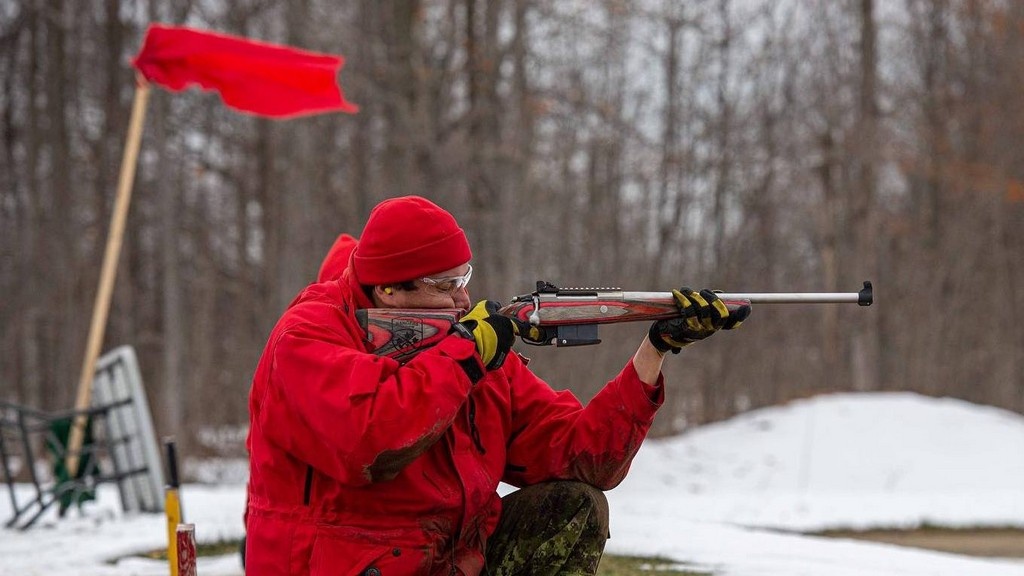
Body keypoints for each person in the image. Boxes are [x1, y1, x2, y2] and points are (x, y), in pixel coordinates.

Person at [244, 195, 749, 575]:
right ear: (388, 288)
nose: (463, 301)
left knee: (574, 506)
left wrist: (655, 350)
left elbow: (581, 454)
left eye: (464, 279)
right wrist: (465, 357)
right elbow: (370, 440)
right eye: (445, 286)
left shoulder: (468, 348)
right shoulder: (307, 336)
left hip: (446, 561)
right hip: (339, 564)